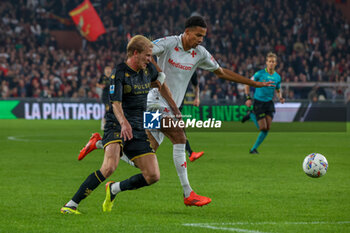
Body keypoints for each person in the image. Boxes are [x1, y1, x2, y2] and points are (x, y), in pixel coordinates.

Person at [78, 16, 274, 207]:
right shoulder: (170, 43)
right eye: (198, 35)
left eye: (203, 36)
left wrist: (254, 83)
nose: (200, 40)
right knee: (179, 134)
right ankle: (188, 193)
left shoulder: (201, 53)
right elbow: (146, 50)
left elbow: (221, 72)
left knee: (145, 160)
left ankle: (111, 179)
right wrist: (157, 74)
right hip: (153, 102)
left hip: (171, 107)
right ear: (187, 32)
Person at [61, 35, 164, 214]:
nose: (150, 60)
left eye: (151, 56)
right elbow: (115, 103)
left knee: (153, 176)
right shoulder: (119, 73)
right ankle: (71, 204)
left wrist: (157, 85)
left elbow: (160, 75)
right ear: (135, 53)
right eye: (147, 56)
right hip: (117, 125)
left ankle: (114, 189)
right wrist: (124, 123)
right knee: (109, 167)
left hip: (138, 129)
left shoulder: (147, 71)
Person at [243, 52, 285, 154]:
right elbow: (247, 84)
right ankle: (252, 115)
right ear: (266, 62)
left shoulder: (277, 77)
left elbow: (278, 89)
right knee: (262, 128)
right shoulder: (259, 74)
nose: (271, 63)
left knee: (267, 129)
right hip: (259, 103)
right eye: (269, 61)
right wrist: (248, 98)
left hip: (269, 103)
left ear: (276, 63)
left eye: (273, 62)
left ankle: (253, 149)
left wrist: (280, 97)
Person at [180, 72, 204, 162]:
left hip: (175, 105)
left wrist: (197, 98)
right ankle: (190, 153)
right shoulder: (169, 63)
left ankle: (190, 153)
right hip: (160, 104)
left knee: (179, 135)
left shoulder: (191, 68)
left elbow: (196, 85)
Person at [97, 66, 112, 131]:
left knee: (111, 109)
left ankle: (107, 122)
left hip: (112, 95)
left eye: (109, 69)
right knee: (108, 108)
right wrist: (101, 86)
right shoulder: (102, 77)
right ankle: (104, 122)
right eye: (107, 69)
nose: (108, 70)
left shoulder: (113, 76)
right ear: (105, 70)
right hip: (105, 95)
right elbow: (97, 84)